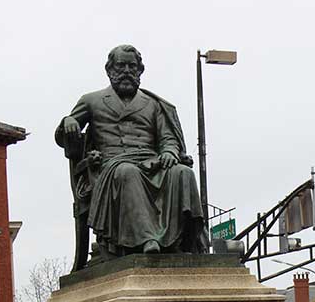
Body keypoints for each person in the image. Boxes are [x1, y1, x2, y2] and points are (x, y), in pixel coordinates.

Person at [56, 44, 209, 267]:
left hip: (152, 162)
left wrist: (168, 151)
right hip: (112, 165)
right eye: (121, 65)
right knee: (127, 173)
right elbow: (63, 139)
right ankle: (147, 239)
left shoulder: (154, 104)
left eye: (132, 66)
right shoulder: (92, 100)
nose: (127, 71)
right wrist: (67, 122)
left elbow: (168, 138)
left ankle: (185, 242)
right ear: (110, 70)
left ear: (140, 70)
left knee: (182, 173)